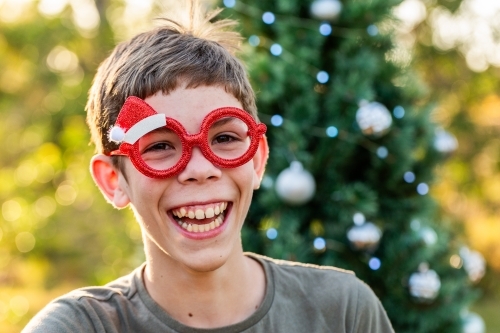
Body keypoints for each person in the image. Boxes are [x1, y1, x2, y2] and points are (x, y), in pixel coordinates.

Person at [24, 2, 394, 332]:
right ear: (113, 179)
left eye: (224, 139)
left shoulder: (344, 311)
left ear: (257, 158)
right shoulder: (77, 327)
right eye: (161, 146)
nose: (200, 170)